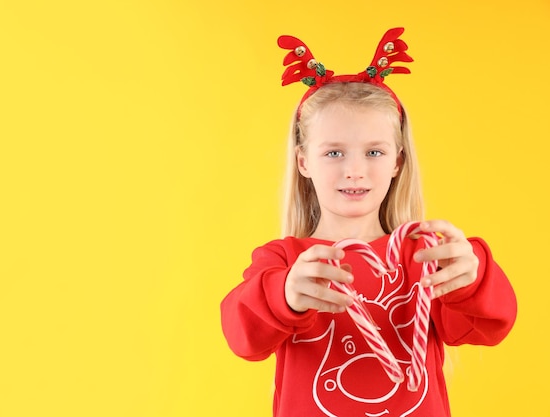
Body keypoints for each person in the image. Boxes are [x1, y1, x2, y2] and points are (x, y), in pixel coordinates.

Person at [220, 28, 517, 417]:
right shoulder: (287, 263)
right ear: (303, 161)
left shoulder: (426, 256)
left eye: (374, 151)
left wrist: (472, 277)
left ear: (397, 161)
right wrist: (284, 296)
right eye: (334, 153)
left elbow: (489, 326)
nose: (355, 171)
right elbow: (242, 335)